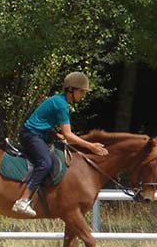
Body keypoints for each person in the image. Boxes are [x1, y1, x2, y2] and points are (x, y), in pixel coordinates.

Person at [12, 71, 109, 216]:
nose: (83, 95)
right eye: (81, 91)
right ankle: (23, 200)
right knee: (45, 163)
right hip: (31, 135)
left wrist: (56, 134)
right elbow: (69, 135)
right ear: (72, 89)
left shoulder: (58, 101)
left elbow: (44, 121)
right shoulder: (61, 105)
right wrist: (90, 146)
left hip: (38, 134)